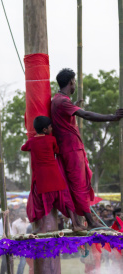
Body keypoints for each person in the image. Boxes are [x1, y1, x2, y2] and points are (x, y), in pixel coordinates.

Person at [51, 68, 123, 228]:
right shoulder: (62, 101)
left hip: (69, 148)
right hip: (71, 149)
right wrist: (113, 117)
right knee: (79, 185)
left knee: (77, 185)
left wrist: (74, 109)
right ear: (71, 82)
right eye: (74, 82)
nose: (74, 84)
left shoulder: (57, 100)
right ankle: (90, 222)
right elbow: (87, 115)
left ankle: (78, 221)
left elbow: (66, 119)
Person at [22, 116, 85, 232]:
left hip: (42, 178)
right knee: (66, 199)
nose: (52, 129)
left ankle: (41, 227)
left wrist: (32, 138)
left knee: (39, 201)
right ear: (45, 130)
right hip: (55, 175)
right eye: (51, 127)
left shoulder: (31, 142)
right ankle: (75, 224)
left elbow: (23, 148)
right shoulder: (52, 140)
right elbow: (56, 150)